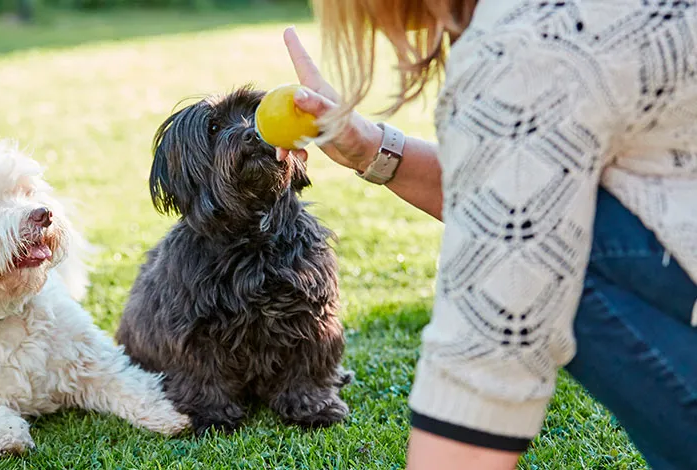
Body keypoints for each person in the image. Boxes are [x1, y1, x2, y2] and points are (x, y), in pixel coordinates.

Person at [276, 1, 697, 469]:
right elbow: (520, 185)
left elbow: (489, 343)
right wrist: (370, 149)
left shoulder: (522, 41)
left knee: (556, 252)